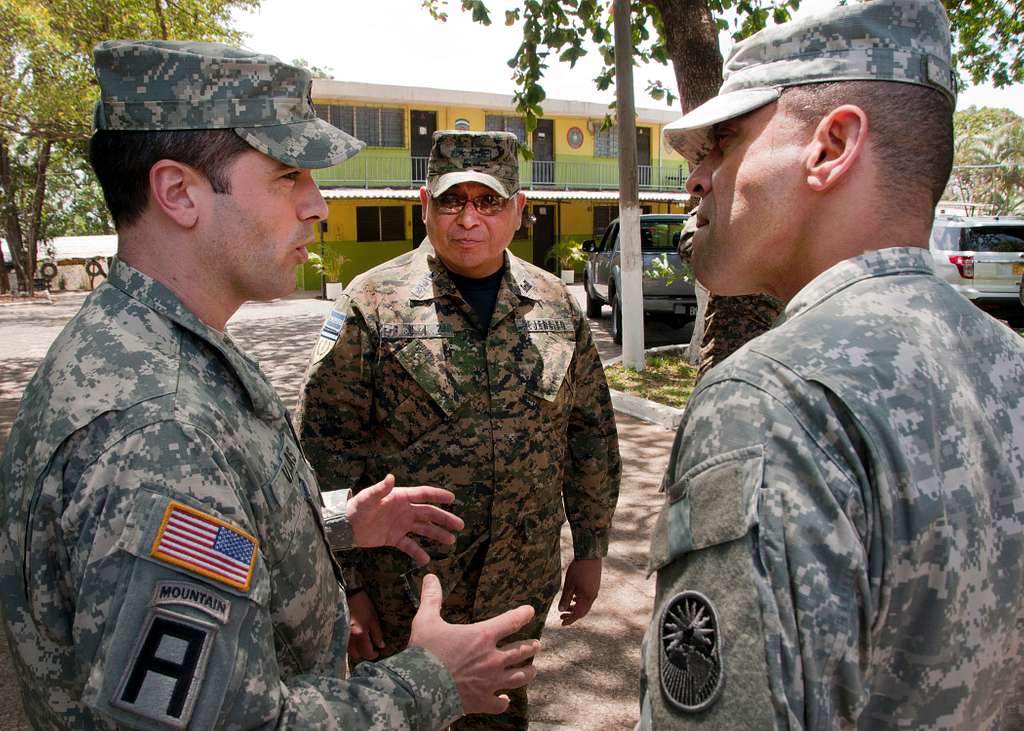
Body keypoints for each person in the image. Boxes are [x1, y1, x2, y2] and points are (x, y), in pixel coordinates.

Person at [0, 40, 541, 729]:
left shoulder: (164, 343)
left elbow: (222, 524)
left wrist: (339, 523)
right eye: (288, 175)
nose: (316, 204)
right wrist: (429, 680)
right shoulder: (154, 427)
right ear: (178, 192)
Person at [640, 0, 1024, 727]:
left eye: (722, 143)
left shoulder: (772, 398)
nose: (698, 179)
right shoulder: (1009, 360)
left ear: (831, 144)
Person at [298, 130, 621, 730]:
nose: (469, 219)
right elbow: (325, 449)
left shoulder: (555, 305)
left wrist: (591, 548)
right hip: (409, 590)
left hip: (519, 579)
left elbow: (590, 435)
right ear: (425, 203)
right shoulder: (372, 303)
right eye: (452, 201)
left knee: (502, 715)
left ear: (518, 211)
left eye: (489, 201)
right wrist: (348, 588)